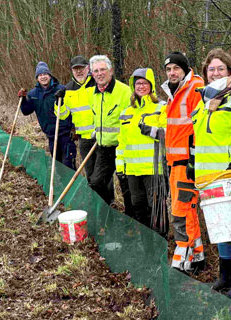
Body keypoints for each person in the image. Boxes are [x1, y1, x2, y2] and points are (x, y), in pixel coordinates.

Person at [189, 48, 231, 298]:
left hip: (228, 177)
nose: (215, 73)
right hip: (206, 180)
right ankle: (224, 276)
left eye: (220, 69)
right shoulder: (204, 105)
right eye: (211, 69)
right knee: (219, 231)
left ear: (230, 72)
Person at [160, 52, 206, 275]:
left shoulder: (194, 88)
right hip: (176, 162)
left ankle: (181, 258)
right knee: (187, 209)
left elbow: (199, 126)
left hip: (187, 163)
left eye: (176, 68)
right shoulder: (174, 92)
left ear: (185, 69)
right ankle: (198, 256)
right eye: (168, 69)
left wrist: (194, 160)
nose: (172, 73)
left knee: (181, 210)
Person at [115, 68, 168, 234]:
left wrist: (151, 130)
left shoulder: (162, 107)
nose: (141, 86)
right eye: (138, 83)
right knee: (138, 206)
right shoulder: (126, 113)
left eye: (145, 83)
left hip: (154, 168)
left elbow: (169, 135)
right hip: (132, 170)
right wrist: (120, 167)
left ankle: (160, 242)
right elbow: (121, 143)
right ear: (133, 86)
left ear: (151, 86)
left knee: (156, 207)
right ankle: (145, 241)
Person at [87, 55, 133, 216]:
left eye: (102, 70)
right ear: (92, 74)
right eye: (96, 71)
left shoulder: (125, 91)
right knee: (96, 182)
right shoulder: (93, 94)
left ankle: (130, 219)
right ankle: (107, 213)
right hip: (103, 148)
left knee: (126, 186)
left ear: (111, 71)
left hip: (122, 149)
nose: (99, 74)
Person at [18, 61, 75, 169]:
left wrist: (73, 127)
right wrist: (23, 99)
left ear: (50, 75)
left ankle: (73, 186)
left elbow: (73, 110)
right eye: (40, 75)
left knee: (68, 165)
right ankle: (61, 186)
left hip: (65, 135)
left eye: (45, 74)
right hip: (51, 136)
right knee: (58, 166)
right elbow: (26, 111)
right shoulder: (33, 94)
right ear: (37, 78)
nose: (43, 77)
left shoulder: (62, 90)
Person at [57, 55, 96, 169]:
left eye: (81, 68)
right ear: (72, 71)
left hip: (100, 137)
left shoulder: (97, 84)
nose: (79, 72)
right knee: (90, 174)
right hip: (83, 139)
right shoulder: (68, 89)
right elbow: (62, 115)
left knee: (103, 177)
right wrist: (58, 102)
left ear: (88, 68)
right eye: (75, 69)